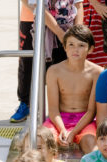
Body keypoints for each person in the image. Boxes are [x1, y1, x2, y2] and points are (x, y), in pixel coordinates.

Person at [41, 25, 101, 153]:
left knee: (91, 145)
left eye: (81, 45)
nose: (75, 50)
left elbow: (91, 111)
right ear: (65, 47)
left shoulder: (97, 72)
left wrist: (73, 132)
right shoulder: (54, 71)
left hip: (86, 121)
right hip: (59, 119)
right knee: (42, 140)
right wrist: (62, 129)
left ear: (90, 49)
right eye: (71, 45)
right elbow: (53, 109)